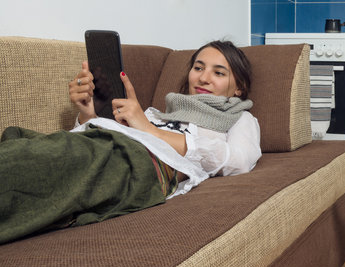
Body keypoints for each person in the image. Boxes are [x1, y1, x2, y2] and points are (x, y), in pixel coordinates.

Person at [0, 40, 261, 244]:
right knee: (18, 140)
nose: (204, 78)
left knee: (33, 162)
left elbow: (238, 160)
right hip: (108, 146)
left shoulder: (239, 118)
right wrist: (88, 112)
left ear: (238, 87)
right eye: (199, 67)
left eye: (219, 72)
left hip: (147, 164)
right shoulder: (158, 113)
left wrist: (150, 131)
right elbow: (106, 137)